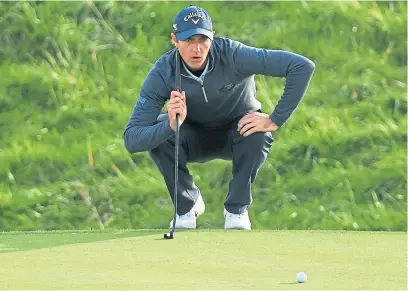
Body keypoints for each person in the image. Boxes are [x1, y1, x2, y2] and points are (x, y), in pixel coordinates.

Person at [124, 5, 315, 230]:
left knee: (259, 133)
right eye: (188, 40)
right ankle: (187, 205)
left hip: (237, 132)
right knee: (159, 130)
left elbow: (301, 66)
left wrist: (274, 119)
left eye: (202, 40)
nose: (196, 49)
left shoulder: (234, 55)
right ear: (174, 40)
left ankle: (237, 209)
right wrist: (170, 125)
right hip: (192, 135)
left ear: (212, 38)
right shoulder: (163, 72)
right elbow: (132, 138)